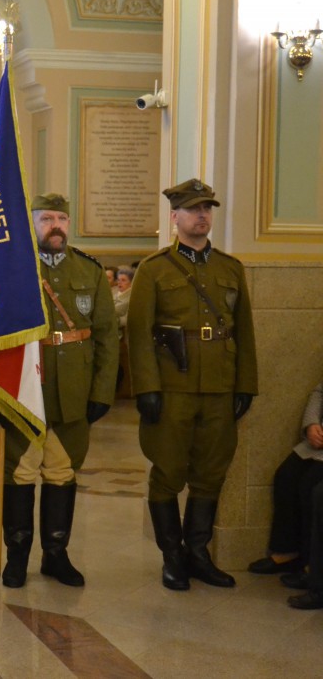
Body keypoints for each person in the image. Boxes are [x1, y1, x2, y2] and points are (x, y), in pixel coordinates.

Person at [127, 178, 258, 591]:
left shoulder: (230, 268)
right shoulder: (154, 270)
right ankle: (172, 557)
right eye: (194, 209)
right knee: (167, 471)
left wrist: (245, 385)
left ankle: (199, 554)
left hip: (219, 386)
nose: (202, 215)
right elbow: (139, 333)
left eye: (207, 209)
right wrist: (146, 387)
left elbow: (244, 332)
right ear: (175, 217)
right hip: (172, 388)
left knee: (211, 472)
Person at [0, 193, 118, 588]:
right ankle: (17, 557)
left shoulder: (90, 270)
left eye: (62, 218)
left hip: (73, 390)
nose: (56, 225)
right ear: (31, 223)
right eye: (46, 218)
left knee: (62, 470)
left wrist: (101, 391)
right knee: (21, 471)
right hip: (25, 388)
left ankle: (56, 554)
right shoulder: (11, 270)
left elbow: (106, 337)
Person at [247, 383, 323, 577]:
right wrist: (311, 424)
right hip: (318, 443)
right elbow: (319, 392)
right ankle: (287, 552)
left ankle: (311, 564)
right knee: (286, 476)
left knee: (311, 487)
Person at [114, 267, 134, 331]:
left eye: (123, 280)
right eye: (118, 280)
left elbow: (127, 319)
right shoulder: (114, 292)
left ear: (131, 282)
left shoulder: (132, 298)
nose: (119, 282)